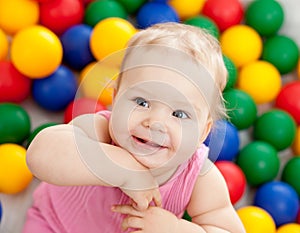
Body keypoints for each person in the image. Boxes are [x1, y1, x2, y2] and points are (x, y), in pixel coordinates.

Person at [23, 22, 245, 233]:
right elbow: (39, 154)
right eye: (142, 102)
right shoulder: (101, 129)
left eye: (179, 114)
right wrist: (124, 171)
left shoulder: (198, 177)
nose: (155, 122)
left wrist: (177, 229)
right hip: (55, 224)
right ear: (117, 97)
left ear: (202, 133)